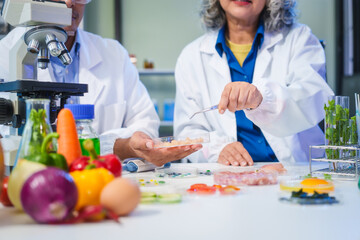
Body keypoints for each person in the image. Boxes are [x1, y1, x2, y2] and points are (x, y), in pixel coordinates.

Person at [0, 0, 201, 166]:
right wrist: (113, 144)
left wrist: (113, 146)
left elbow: (146, 126)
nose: (70, 3)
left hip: (101, 181)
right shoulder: (4, 54)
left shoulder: (114, 54)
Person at [174, 0, 334, 166]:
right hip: (228, 175)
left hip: (295, 171)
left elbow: (314, 97)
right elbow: (188, 131)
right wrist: (217, 149)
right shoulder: (191, 57)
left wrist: (262, 98)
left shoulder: (300, 39)